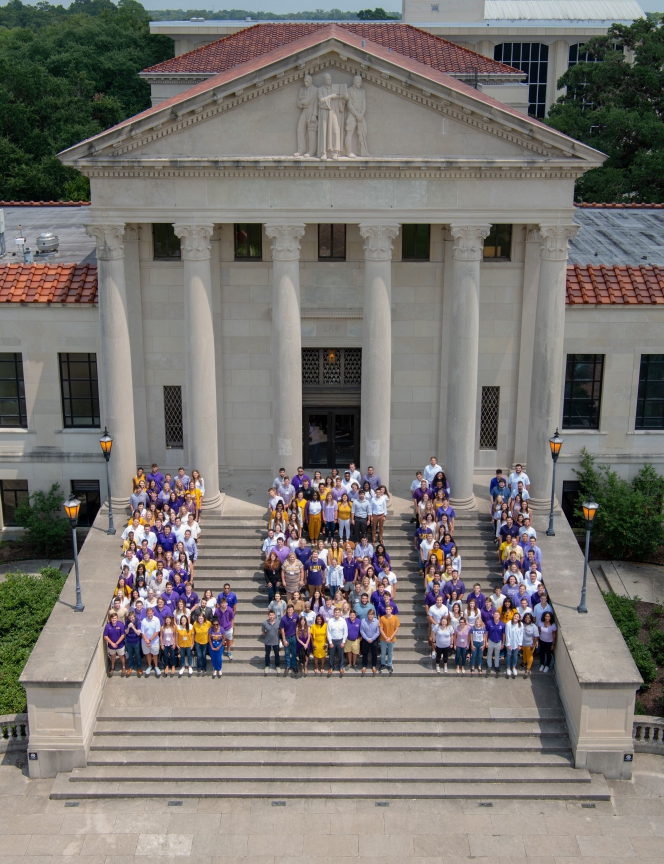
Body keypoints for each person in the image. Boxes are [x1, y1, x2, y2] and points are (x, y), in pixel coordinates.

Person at [140, 605, 161, 677]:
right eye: (148, 613)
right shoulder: (144, 620)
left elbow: (157, 632)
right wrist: (146, 640)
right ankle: (149, 666)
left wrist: (150, 640)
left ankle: (156, 666)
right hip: (145, 641)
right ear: (146, 614)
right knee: (148, 654)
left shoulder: (157, 620)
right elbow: (142, 632)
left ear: (153, 613)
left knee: (155, 654)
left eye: (150, 613)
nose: (149, 615)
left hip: (154, 641)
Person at [378, 603, 399, 674]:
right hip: (383, 639)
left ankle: (390, 665)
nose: (387, 610)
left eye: (389, 609)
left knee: (390, 653)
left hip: (392, 639)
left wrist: (390, 637)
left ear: (391, 610)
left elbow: (396, 629)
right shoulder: (382, 618)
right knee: (383, 653)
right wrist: (386, 638)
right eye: (386, 609)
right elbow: (381, 629)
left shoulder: (395, 618)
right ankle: (382, 664)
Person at [104, 612, 126, 677]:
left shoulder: (121, 625)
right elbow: (105, 636)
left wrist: (116, 643)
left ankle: (124, 667)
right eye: (112, 618)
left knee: (121, 656)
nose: (114, 619)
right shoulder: (108, 626)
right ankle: (112, 667)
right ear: (110, 619)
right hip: (111, 646)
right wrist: (112, 643)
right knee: (113, 656)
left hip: (120, 645)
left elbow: (122, 635)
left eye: (115, 618)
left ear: (117, 618)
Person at [327, 607, 348, 675]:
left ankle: (341, 667)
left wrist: (343, 641)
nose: (337, 614)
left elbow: (345, 632)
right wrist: (330, 642)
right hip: (332, 640)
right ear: (333, 613)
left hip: (340, 640)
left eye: (338, 612)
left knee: (341, 655)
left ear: (340, 613)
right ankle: (331, 667)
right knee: (331, 655)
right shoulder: (330, 621)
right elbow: (328, 632)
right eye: (335, 612)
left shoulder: (343, 621)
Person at [280, 603, 300, 676]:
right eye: (289, 610)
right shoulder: (283, 619)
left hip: (294, 637)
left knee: (294, 652)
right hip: (287, 637)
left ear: (293, 610)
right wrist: (284, 640)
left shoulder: (296, 616)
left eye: (291, 610)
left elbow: (298, 625)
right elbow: (282, 630)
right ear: (287, 610)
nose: (290, 611)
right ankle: (288, 666)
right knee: (287, 653)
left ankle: (294, 665)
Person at [486, 610, 505, 677]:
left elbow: (503, 634)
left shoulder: (502, 624)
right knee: (489, 654)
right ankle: (489, 666)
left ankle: (497, 666)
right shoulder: (489, 623)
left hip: (498, 642)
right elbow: (486, 633)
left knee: (497, 655)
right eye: (495, 614)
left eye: (497, 614)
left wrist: (503, 643)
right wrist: (486, 642)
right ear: (493, 615)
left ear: (499, 616)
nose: (496, 616)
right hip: (490, 641)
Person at [504, 611, 524, 678]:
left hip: (517, 644)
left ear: (519, 618)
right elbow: (507, 634)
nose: (516, 617)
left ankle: (514, 667)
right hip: (510, 644)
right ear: (513, 617)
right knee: (509, 655)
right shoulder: (508, 624)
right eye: (515, 616)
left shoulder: (521, 624)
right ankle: (508, 668)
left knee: (515, 655)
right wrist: (508, 644)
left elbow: (521, 635)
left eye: (517, 617)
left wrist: (520, 644)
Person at [261, 609, 281, 674]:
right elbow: (263, 632)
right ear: (268, 616)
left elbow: (280, 630)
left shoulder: (278, 622)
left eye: (272, 615)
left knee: (277, 654)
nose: (271, 616)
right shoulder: (264, 623)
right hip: (268, 642)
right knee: (267, 654)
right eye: (270, 615)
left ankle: (277, 666)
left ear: (275, 615)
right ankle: (267, 665)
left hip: (276, 641)